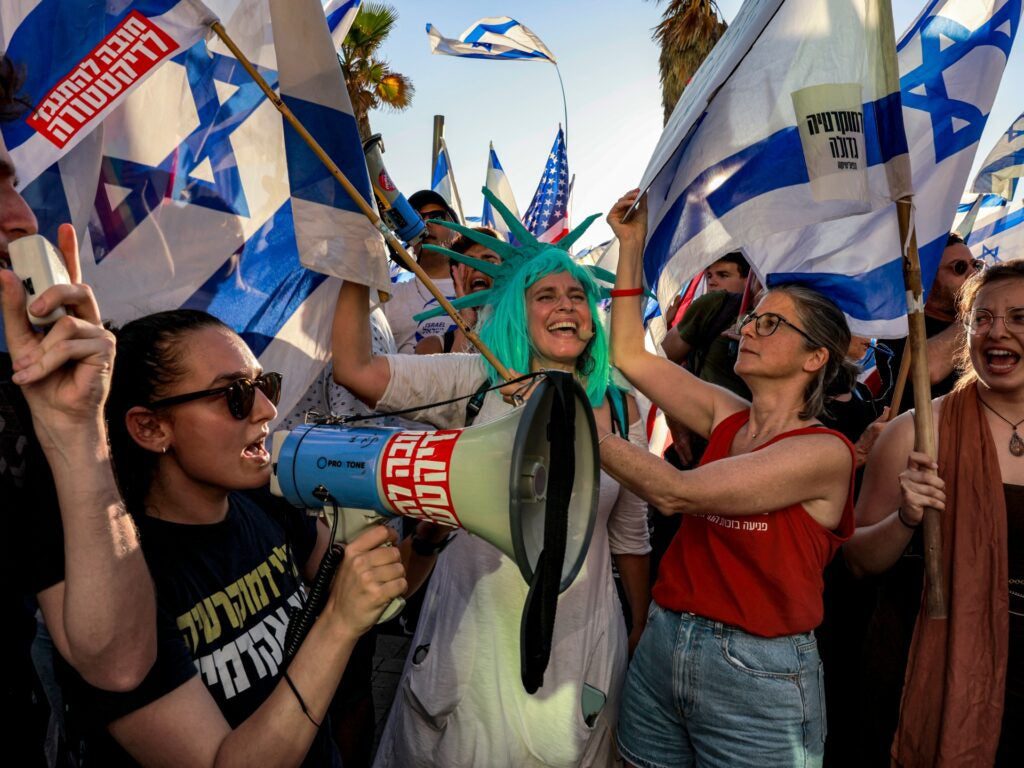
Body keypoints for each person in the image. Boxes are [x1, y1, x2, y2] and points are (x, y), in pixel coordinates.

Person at [332, 190, 651, 767]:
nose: (566, 305)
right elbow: (358, 370)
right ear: (515, 310)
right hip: (469, 643)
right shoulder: (475, 381)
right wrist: (359, 261)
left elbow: (631, 535)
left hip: (581, 645)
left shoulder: (622, 406)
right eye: (545, 294)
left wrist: (638, 630)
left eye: (577, 294)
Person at [72, 309, 407, 766]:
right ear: (151, 428)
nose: (267, 409)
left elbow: (367, 594)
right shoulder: (122, 589)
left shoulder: (266, 500)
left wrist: (423, 540)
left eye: (263, 385)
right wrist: (338, 624)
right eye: (235, 394)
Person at [601, 189, 857, 768]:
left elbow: (675, 492)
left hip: (757, 674)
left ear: (816, 357)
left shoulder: (824, 452)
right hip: (666, 644)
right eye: (751, 318)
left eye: (770, 322)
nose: (748, 329)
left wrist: (576, 431)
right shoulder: (726, 413)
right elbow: (628, 355)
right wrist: (632, 247)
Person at [0, 52, 155, 763]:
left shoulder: (19, 407)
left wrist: (76, 433)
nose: (15, 217)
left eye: (9, 183)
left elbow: (117, 659)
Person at [844, 259, 1024, 766]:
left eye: (1019, 318)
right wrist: (904, 518)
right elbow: (856, 560)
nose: (998, 331)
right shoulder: (915, 432)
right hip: (926, 666)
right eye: (982, 318)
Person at [879, 233, 982, 412]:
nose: (973, 274)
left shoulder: (988, 324)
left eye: (976, 265)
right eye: (959, 267)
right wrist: (975, 313)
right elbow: (926, 371)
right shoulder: (899, 327)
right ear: (927, 279)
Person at [383, 190, 460, 353]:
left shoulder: (481, 288)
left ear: (457, 231)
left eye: (436, 217)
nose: (426, 224)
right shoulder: (387, 296)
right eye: (417, 219)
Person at [415, 227, 502, 356]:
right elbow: (451, 376)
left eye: (489, 261)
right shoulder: (432, 346)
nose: (478, 268)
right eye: (468, 262)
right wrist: (466, 320)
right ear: (456, 277)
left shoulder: (529, 332)